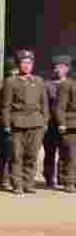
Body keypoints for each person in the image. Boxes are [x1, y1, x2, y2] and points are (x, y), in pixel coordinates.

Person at [1, 49, 49, 194]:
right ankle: (17, 185)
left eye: (29, 63)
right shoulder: (11, 82)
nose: (27, 66)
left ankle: (28, 183)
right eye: (24, 63)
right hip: (18, 123)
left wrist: (45, 121)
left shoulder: (39, 81)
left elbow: (44, 103)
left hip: (36, 123)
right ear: (18, 65)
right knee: (16, 156)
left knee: (32, 155)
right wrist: (7, 124)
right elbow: (6, 105)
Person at [43, 54, 70, 189]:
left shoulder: (71, 84)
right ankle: (48, 178)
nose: (59, 70)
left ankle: (63, 178)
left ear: (67, 69)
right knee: (50, 152)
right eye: (56, 67)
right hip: (50, 123)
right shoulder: (47, 84)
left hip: (66, 124)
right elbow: (44, 104)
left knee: (66, 152)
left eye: (62, 67)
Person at [53, 57, 76, 193]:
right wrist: (61, 123)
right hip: (71, 125)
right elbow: (59, 107)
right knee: (71, 155)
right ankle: (69, 182)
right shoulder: (67, 85)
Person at [0, 56, 18, 189]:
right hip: (1, 123)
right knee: (3, 153)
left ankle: (11, 178)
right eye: (12, 72)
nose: (14, 74)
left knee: (14, 153)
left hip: (16, 123)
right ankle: (4, 179)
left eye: (16, 71)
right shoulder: (0, 85)